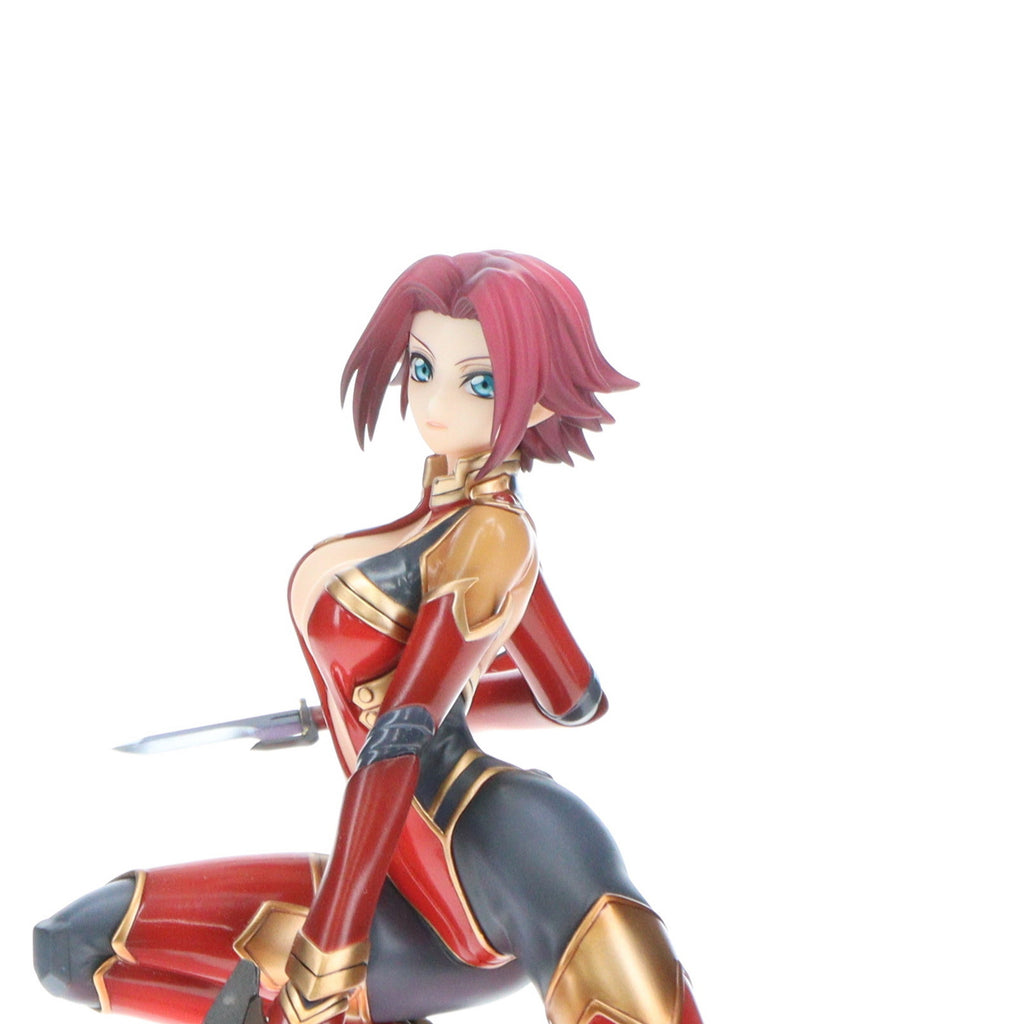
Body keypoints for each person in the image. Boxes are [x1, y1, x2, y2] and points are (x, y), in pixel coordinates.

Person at [34, 251, 704, 1024]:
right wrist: (411, 705)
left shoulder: (490, 537)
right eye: (422, 369)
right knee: (71, 951)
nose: (436, 403)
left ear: (542, 401)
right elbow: (573, 699)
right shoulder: (458, 525)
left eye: (479, 382)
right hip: (403, 876)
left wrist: (331, 948)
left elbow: (398, 745)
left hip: (494, 849)